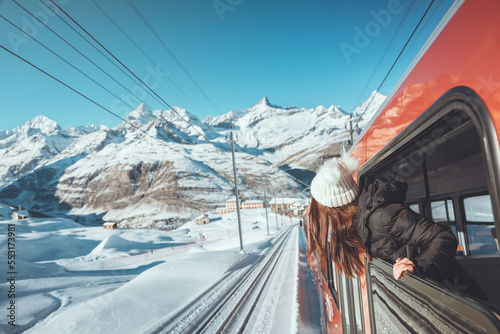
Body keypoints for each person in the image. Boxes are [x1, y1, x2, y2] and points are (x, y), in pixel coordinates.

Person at [307, 155, 458, 283]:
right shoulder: (363, 223)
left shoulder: (381, 217)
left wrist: (417, 267)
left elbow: (443, 236)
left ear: (334, 212)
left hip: (456, 293)